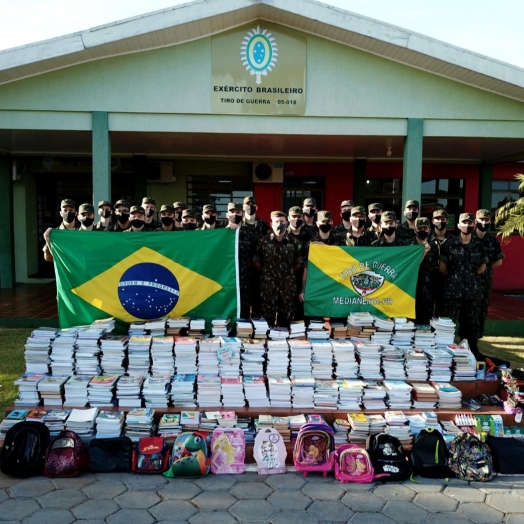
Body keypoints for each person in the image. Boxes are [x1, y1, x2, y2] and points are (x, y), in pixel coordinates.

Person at [439, 213, 488, 360]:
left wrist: (470, 277)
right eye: (464, 223)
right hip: (453, 292)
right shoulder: (449, 244)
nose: (467, 225)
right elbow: (442, 267)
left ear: (473, 225)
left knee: (471, 323)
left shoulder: (479, 245)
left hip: (473, 293)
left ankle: (471, 352)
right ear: (459, 225)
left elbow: (483, 266)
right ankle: (445, 351)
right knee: (449, 323)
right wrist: (456, 277)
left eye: (470, 223)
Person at [253, 211, 302, 328]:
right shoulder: (263, 241)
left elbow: (299, 263)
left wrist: (288, 274)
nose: (279, 224)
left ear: (287, 223)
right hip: (268, 286)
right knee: (266, 321)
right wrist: (267, 273)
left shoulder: (294, 241)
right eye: (276, 222)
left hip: (287, 287)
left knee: (285, 321)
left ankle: (282, 344)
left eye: (282, 221)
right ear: (271, 224)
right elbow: (256, 261)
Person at [299, 211, 346, 304]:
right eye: (322, 221)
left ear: (332, 222)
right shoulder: (311, 244)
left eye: (328, 221)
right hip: (317, 284)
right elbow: (306, 268)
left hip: (336, 284)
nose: (325, 224)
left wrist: (326, 248)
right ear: (317, 223)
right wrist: (303, 290)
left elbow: (343, 261)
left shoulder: (340, 241)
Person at [475, 209, 505, 338]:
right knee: (468, 307)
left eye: (486, 220)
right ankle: (466, 333)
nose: (484, 222)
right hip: (469, 279)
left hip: (485, 280)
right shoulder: (469, 238)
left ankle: (479, 333)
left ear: (490, 221)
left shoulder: (493, 241)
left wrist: (486, 268)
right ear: (476, 221)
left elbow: (499, 261)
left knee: (483, 307)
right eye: (481, 219)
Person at [243, 196, 270, 318]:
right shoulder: (239, 225)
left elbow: (268, 244)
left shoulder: (263, 225)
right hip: (243, 271)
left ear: (257, 207)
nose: (250, 206)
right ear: (244, 207)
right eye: (247, 204)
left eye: (253, 204)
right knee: (244, 303)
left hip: (259, 271)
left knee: (257, 304)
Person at [226, 202, 252, 319]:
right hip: (227, 279)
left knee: (245, 311)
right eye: (232, 212)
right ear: (227, 214)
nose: (235, 215)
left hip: (245, 279)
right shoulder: (221, 234)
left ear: (243, 214)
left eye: (238, 212)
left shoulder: (249, 234)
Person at [410, 217, 439, 324]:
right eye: (419, 228)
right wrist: (424, 252)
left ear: (429, 229)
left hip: (428, 290)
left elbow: (436, 267)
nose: (422, 230)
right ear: (415, 229)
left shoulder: (434, 247)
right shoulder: (409, 245)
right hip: (411, 290)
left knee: (425, 323)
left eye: (425, 228)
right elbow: (411, 266)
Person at [287, 206, 312, 321]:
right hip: (286, 277)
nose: (296, 219)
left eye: (299, 217)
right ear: (288, 218)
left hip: (305, 276)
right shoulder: (282, 235)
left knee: (302, 311)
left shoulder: (310, 235)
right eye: (294, 216)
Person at [429, 209, 454, 317]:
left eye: (443, 219)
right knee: (426, 313)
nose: (440, 221)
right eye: (437, 219)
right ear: (433, 221)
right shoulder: (426, 238)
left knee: (443, 314)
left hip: (447, 282)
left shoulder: (454, 240)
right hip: (428, 282)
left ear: (447, 221)